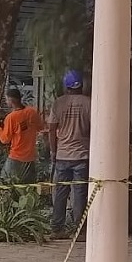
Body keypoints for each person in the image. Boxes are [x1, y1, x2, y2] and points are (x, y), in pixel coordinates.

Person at [47, 70, 92, 238]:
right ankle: (80, 231)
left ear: (66, 85)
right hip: (82, 155)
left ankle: (57, 229)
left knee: (60, 193)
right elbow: (95, 128)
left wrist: (53, 150)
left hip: (62, 155)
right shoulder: (89, 103)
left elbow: (51, 129)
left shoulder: (58, 103)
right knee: (80, 194)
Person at [0, 88, 44, 184]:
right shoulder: (32, 112)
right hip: (30, 157)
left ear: (11, 100)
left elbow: (5, 139)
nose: (6, 102)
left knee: (5, 182)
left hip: (16, 157)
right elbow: (40, 127)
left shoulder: (11, 118)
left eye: (6, 99)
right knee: (28, 188)